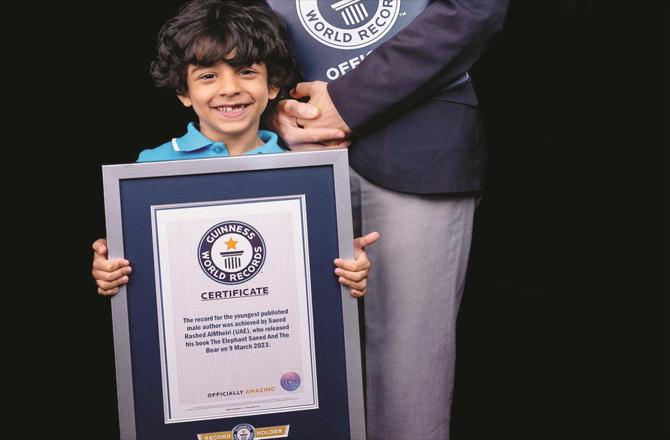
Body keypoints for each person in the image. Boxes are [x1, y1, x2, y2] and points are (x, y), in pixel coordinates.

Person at [268, 1, 509, 439]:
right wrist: (273, 107)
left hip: (417, 149)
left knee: (408, 373)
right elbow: (233, 21)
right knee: (274, 355)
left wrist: (345, 102)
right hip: (287, 149)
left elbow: (474, 8)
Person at [91, 0, 379, 301]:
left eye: (246, 72)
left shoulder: (305, 173)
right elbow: (138, 264)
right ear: (183, 92)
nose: (229, 88)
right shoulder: (149, 169)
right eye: (207, 76)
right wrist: (110, 270)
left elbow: (320, 265)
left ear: (273, 85)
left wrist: (349, 268)